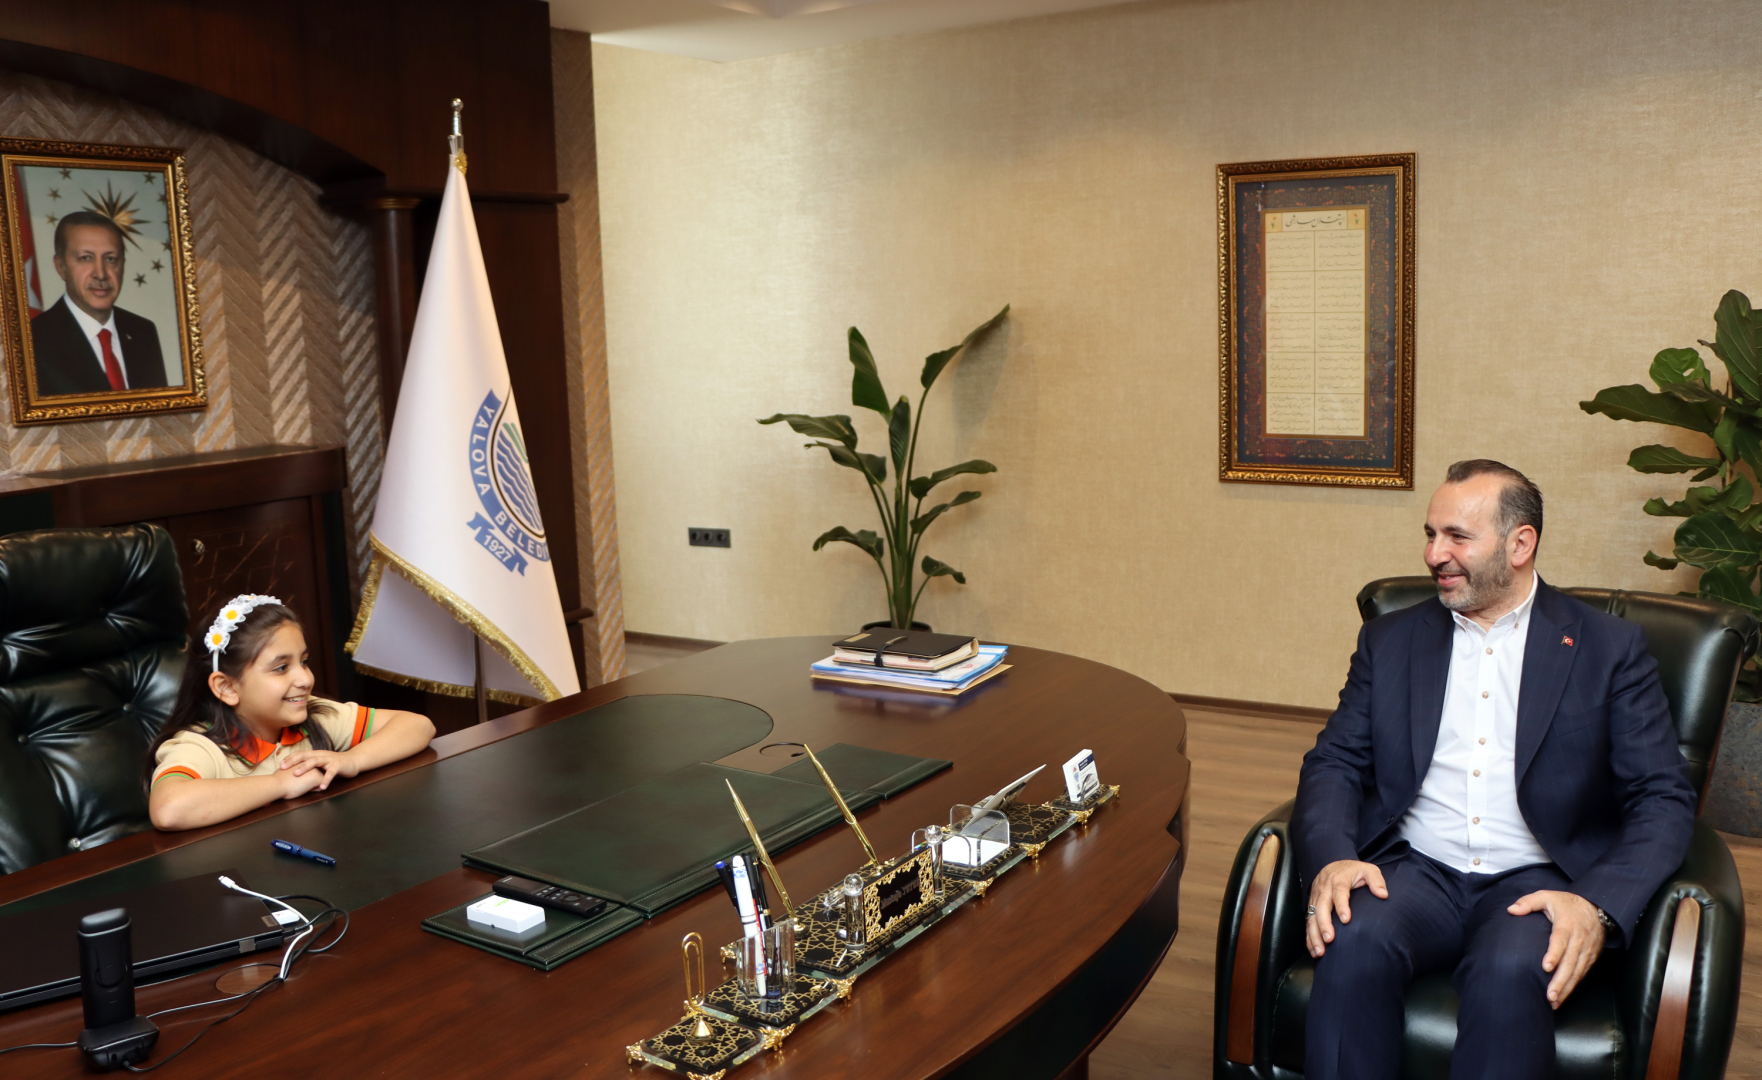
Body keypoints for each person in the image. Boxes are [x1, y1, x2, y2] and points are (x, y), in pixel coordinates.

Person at [1292, 459, 1696, 1080]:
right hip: (1415, 870)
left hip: (1537, 878)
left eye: (1457, 536)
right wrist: (1335, 858)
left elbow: (1662, 797)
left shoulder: (1608, 648)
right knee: (1352, 943)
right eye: (1431, 534)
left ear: (1520, 544)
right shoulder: (1390, 640)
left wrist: (1595, 904)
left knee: (1510, 972)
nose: (1434, 554)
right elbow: (1335, 760)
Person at [146, 594, 435, 831]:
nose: (305, 679)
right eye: (281, 668)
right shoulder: (201, 745)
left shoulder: (314, 717)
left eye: (304, 662)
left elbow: (417, 726)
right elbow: (169, 809)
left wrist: (352, 760)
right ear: (228, 687)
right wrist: (279, 784)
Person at [30, 210, 168, 397]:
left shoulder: (143, 332)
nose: (101, 274)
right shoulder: (33, 342)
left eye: (110, 259)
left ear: (122, 265)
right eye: (86, 258)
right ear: (61, 267)